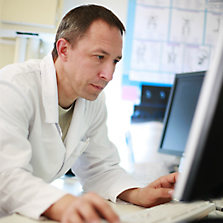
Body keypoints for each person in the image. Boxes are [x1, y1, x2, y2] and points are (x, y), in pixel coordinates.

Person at [0, 4, 178, 223]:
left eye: (115, 61)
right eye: (99, 57)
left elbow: (99, 168)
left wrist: (139, 194)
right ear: (64, 49)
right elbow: (5, 175)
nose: (109, 74)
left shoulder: (91, 100)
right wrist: (62, 203)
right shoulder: (13, 86)